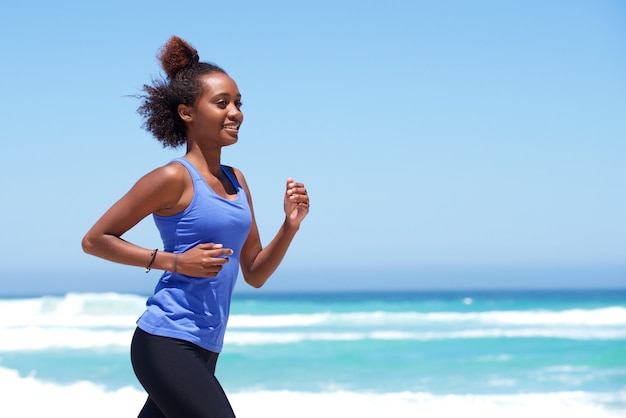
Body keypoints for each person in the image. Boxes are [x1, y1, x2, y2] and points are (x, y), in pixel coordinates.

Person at [82, 35, 309, 418]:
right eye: (222, 103)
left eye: (238, 103)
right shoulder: (173, 177)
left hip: (207, 344)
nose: (235, 112)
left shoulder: (237, 179)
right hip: (166, 340)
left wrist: (289, 226)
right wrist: (174, 261)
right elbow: (95, 240)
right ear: (187, 113)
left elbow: (254, 272)